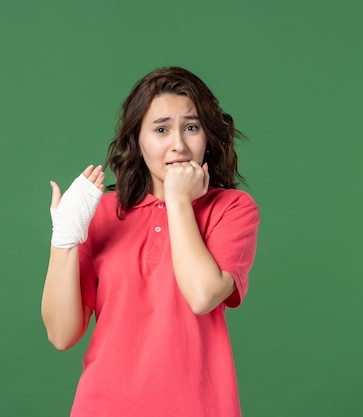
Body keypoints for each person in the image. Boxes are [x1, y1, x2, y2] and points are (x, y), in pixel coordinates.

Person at [41, 66, 260, 417]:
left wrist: (177, 200)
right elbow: (61, 334)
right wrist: (65, 237)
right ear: (138, 139)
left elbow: (202, 295)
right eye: (161, 129)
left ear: (207, 136)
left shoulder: (232, 208)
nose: (178, 144)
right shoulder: (101, 213)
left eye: (191, 127)